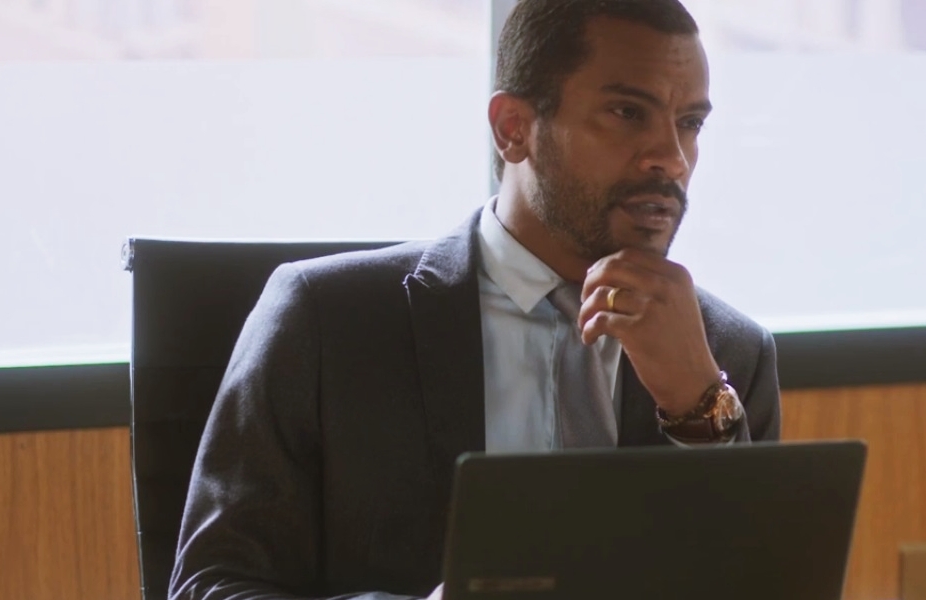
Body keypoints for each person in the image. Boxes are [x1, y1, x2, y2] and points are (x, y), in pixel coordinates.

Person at [169, 1, 781, 599]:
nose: (670, 159)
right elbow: (211, 585)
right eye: (627, 112)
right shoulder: (325, 321)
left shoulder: (728, 353)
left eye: (691, 124)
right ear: (513, 129)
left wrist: (698, 409)